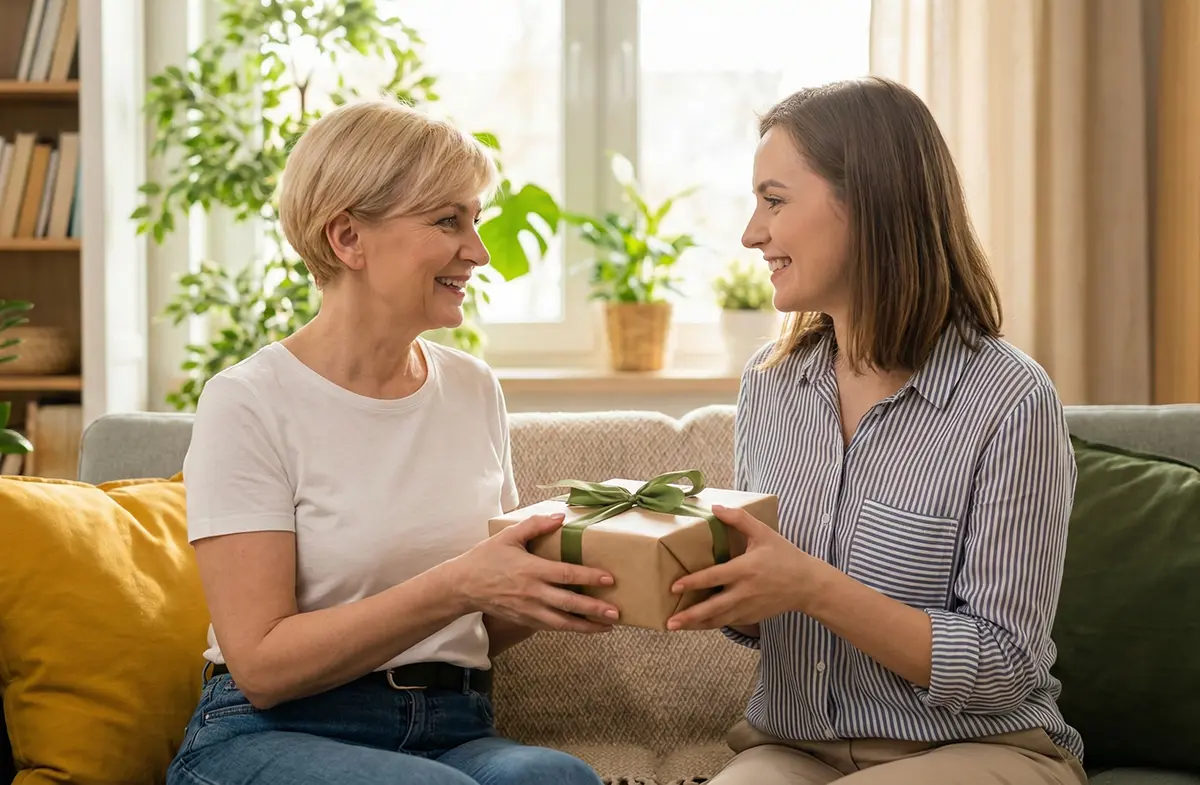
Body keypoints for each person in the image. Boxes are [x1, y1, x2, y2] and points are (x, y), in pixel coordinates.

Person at [166, 99, 615, 785]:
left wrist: (566, 584)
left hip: (453, 725)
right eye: (448, 221)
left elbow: (480, 620)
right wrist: (457, 583)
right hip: (274, 730)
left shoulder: (472, 387)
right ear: (348, 237)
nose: (478, 251)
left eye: (475, 220)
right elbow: (261, 666)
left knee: (554, 779)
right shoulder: (249, 400)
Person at [664, 77, 1087, 785]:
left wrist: (812, 586)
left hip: (976, 748)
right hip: (794, 748)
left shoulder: (1011, 400)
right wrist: (717, 587)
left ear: (867, 202)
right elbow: (772, 615)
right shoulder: (771, 383)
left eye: (774, 200)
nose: (751, 233)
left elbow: (1005, 665)